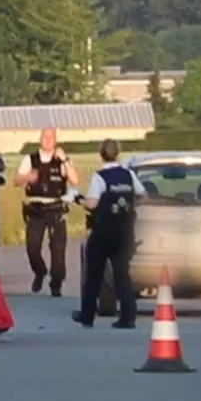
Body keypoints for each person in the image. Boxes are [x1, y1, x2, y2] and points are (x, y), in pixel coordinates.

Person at [72, 138, 140, 329]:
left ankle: (87, 315)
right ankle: (128, 316)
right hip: (124, 230)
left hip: (103, 230)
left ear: (101, 154)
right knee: (122, 274)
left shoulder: (100, 177)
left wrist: (77, 198)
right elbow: (142, 194)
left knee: (94, 273)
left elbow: (92, 204)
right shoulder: (128, 175)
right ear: (118, 152)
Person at [12, 126, 79, 296]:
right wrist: (28, 177)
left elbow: (75, 180)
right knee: (32, 246)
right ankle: (39, 271)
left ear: (56, 140)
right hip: (35, 209)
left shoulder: (61, 160)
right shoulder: (30, 159)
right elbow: (16, 181)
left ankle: (56, 283)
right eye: (45, 137)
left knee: (58, 248)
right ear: (40, 139)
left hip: (55, 207)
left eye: (51, 137)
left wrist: (65, 160)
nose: (48, 140)